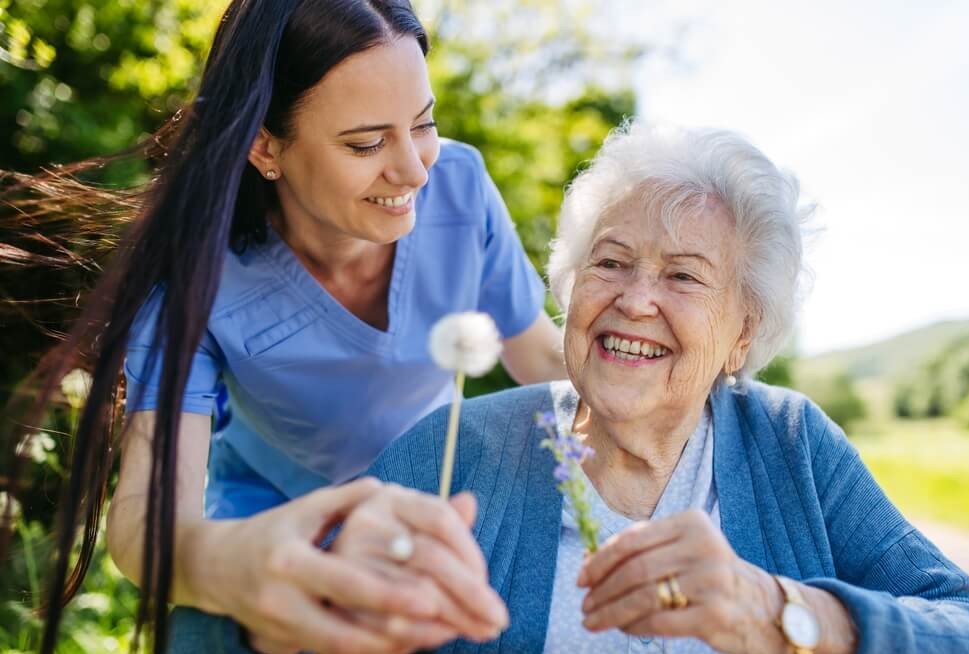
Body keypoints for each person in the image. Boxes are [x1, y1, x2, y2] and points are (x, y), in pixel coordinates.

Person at [171, 121, 969, 652]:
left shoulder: (791, 443)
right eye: (610, 262)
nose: (634, 300)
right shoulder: (460, 452)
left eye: (684, 275)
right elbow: (229, 626)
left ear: (744, 332)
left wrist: (779, 612)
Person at [4, 1, 563, 652]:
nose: (415, 169)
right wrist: (236, 566)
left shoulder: (460, 188)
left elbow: (546, 363)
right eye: (366, 143)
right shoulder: (194, 276)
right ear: (265, 147)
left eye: (424, 123)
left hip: (436, 503)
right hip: (271, 526)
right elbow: (144, 524)